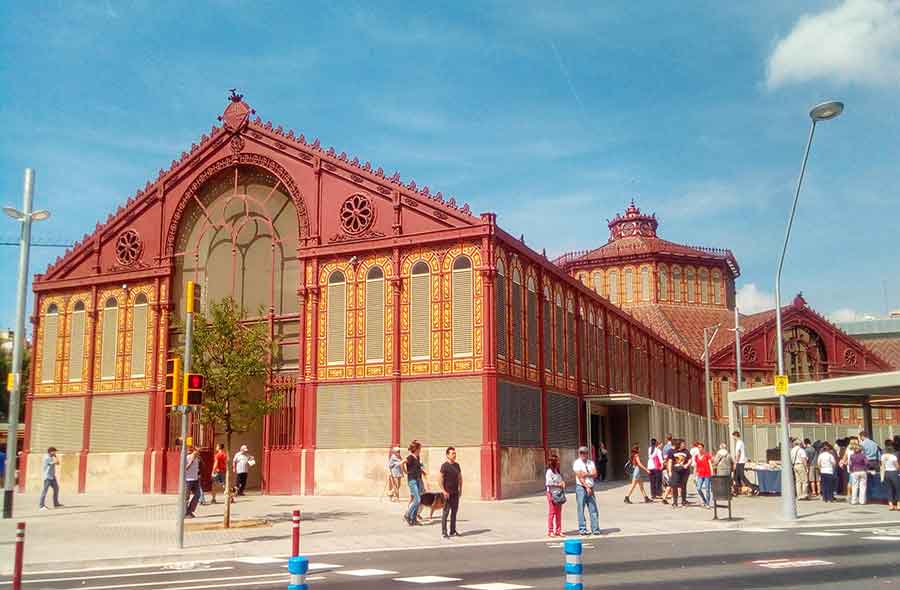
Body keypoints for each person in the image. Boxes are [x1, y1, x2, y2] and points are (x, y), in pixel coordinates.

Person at [573, 446, 601, 535]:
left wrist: (586, 474)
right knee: (581, 508)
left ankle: (595, 528)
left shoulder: (590, 463)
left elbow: (595, 474)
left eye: (585, 453)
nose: (583, 454)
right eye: (581, 453)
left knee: (593, 508)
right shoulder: (577, 463)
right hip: (581, 487)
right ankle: (582, 529)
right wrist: (586, 487)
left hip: (591, 486)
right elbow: (579, 476)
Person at [438, 447, 462, 539]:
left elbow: (460, 478)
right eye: (452, 453)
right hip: (447, 493)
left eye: (455, 453)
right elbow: (440, 479)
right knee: (446, 512)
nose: (454, 455)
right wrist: (443, 491)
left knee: (454, 512)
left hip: (455, 492)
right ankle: (444, 532)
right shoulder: (444, 466)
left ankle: (453, 531)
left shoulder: (457, 465)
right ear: (447, 455)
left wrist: (461, 489)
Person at [403, 441, 424, 526]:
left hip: (418, 479)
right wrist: (405, 471)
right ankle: (407, 515)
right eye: (420, 448)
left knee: (418, 501)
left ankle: (414, 519)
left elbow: (418, 467)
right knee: (417, 499)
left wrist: (423, 472)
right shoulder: (410, 457)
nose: (421, 450)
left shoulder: (417, 457)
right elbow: (402, 462)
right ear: (417, 449)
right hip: (412, 480)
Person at [732, 431, 759, 496]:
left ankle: (754, 488)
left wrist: (735, 462)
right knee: (736, 477)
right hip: (741, 461)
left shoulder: (738, 443)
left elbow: (738, 453)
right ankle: (736, 490)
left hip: (740, 462)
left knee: (742, 477)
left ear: (735, 436)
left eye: (733, 436)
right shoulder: (741, 442)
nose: (733, 438)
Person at [545, 453, 565, 537]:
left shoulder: (558, 471)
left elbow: (560, 480)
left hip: (559, 493)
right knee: (552, 512)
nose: (559, 463)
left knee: (558, 513)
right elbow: (548, 483)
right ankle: (550, 530)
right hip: (552, 494)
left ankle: (558, 530)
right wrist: (558, 484)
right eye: (557, 461)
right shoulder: (549, 472)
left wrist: (563, 483)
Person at [667, 440, 690, 508]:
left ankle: (683, 501)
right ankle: (675, 502)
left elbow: (690, 459)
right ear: (679, 444)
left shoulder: (686, 451)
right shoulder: (672, 451)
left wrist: (687, 465)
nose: (684, 445)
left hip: (684, 472)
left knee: (683, 486)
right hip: (675, 471)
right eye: (683, 444)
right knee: (674, 486)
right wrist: (670, 471)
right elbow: (670, 461)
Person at [39, 446, 63, 511]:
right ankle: (41, 506)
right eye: (54, 451)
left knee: (56, 488)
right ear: (51, 452)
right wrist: (55, 459)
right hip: (47, 477)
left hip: (52, 476)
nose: (55, 452)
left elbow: (58, 463)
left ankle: (56, 503)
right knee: (45, 491)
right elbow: (54, 463)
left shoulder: (51, 457)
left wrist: (55, 457)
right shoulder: (46, 458)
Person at [183, 446, 202, 518]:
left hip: (195, 479)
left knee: (198, 494)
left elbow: (197, 469)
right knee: (186, 497)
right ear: (194, 451)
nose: (199, 453)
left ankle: (190, 511)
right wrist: (191, 461)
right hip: (188, 480)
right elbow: (185, 468)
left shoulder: (198, 459)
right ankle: (185, 513)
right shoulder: (187, 457)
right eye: (197, 451)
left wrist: (199, 474)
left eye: (199, 452)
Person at [694, 442, 713, 508]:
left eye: (700, 447)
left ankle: (707, 503)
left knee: (707, 489)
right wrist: (694, 474)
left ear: (703, 448)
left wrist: (712, 472)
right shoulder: (696, 456)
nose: (699, 449)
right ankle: (704, 500)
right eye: (698, 447)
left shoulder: (707, 455)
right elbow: (696, 465)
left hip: (707, 473)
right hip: (700, 474)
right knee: (698, 488)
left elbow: (710, 464)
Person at [881, 443, 899, 511]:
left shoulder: (883, 456)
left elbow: (882, 466)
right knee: (897, 489)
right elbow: (897, 466)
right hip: (893, 472)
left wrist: (882, 476)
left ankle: (891, 505)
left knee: (889, 489)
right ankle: (898, 505)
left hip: (886, 473)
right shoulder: (893, 456)